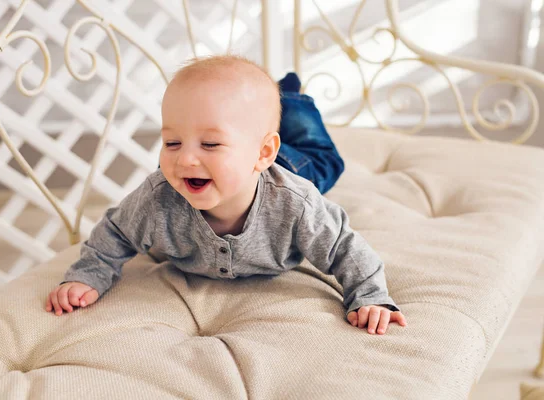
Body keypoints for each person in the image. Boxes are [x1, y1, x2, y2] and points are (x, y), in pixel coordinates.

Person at [46, 55, 407, 335]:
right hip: (246, 163)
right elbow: (116, 232)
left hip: (290, 167)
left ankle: (292, 97)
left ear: (262, 153)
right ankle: (272, 109)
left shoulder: (295, 203)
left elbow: (344, 247)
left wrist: (370, 297)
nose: (185, 158)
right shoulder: (158, 199)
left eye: (210, 143)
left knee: (325, 160)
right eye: (172, 142)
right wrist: (87, 275)